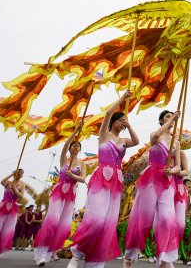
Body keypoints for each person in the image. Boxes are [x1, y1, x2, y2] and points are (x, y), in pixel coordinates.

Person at [67, 91, 138, 268]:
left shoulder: (123, 141)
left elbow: (136, 141)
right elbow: (107, 114)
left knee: (108, 221)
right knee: (96, 217)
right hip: (101, 178)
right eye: (121, 120)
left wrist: (129, 126)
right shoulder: (104, 135)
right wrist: (122, 99)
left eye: (124, 121)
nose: (122, 123)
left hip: (116, 181)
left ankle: (94, 261)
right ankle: (77, 254)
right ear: (114, 121)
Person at [124, 109, 182, 268]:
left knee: (166, 218)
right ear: (162, 121)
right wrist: (173, 120)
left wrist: (173, 171)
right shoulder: (155, 135)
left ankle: (164, 258)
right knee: (143, 219)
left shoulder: (176, 142)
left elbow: (177, 166)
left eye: (172, 117)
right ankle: (129, 256)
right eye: (167, 117)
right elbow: (155, 137)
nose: (171, 119)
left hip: (168, 181)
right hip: (151, 178)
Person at [34, 125, 87, 266]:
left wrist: (73, 175)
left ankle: (49, 254)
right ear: (70, 148)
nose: (75, 148)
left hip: (71, 194)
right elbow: (64, 145)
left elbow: (83, 179)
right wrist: (76, 131)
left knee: (63, 225)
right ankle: (40, 254)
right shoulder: (64, 159)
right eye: (73, 146)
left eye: (78, 146)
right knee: (52, 220)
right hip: (58, 192)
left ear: (80, 149)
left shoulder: (82, 163)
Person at [174, 151, 190, 264]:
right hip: (165, 187)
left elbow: (186, 171)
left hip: (178, 189)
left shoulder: (180, 153)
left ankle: (174, 249)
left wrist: (174, 171)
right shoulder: (162, 150)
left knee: (180, 224)